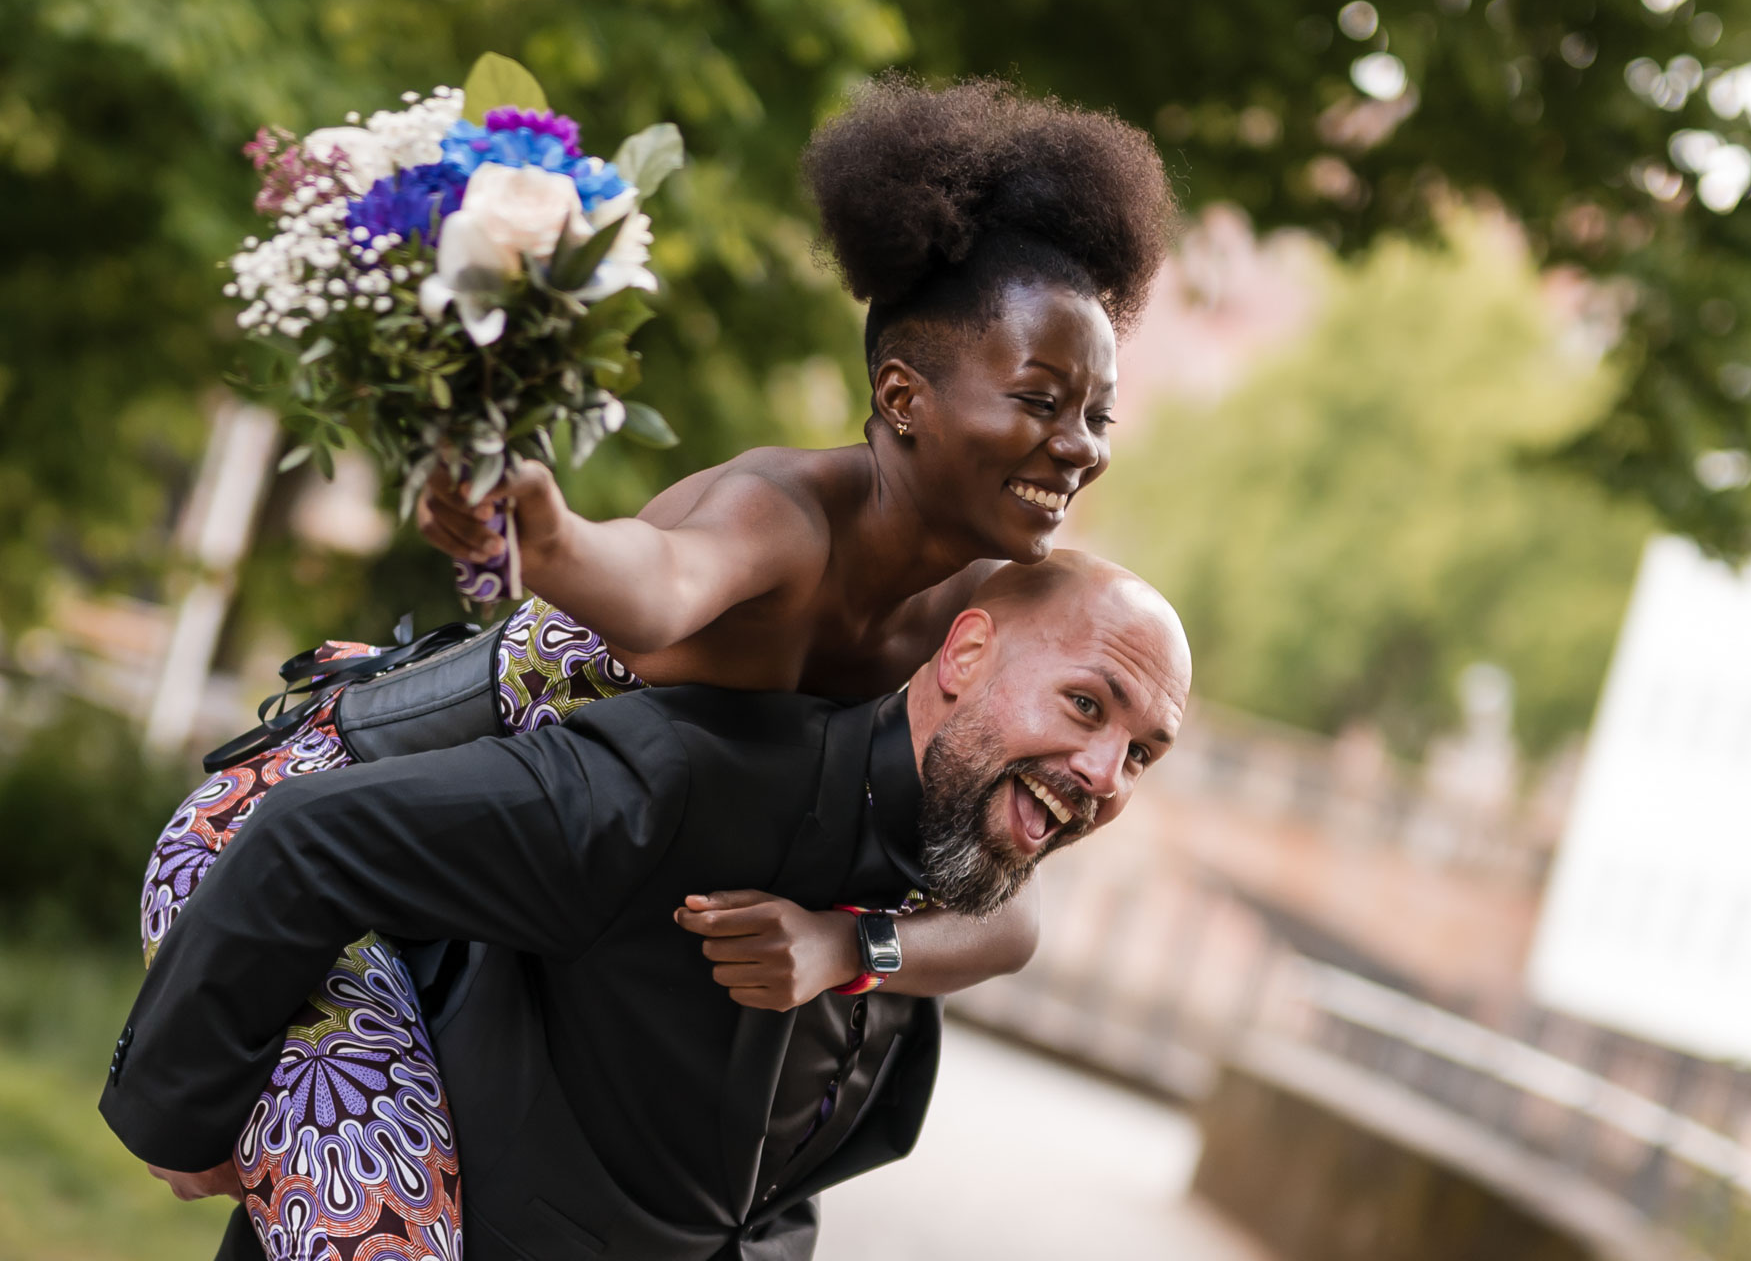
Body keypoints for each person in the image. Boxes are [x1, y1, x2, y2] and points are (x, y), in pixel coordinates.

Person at [137, 77, 1176, 1260]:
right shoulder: (780, 517)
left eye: (1098, 413)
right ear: (902, 396)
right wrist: (544, 528)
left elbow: (1009, 915)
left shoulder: (978, 608)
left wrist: (847, 949)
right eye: (1043, 399)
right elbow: (655, 580)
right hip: (286, 831)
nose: (1079, 446)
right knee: (390, 1235)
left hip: (454, 860)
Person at [108, 554, 1191, 1261]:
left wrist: (848, 947)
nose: (1104, 771)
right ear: (964, 652)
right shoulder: (682, 782)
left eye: (1142, 751)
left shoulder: (948, 862)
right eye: (1086, 703)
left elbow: (768, 1169)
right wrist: (192, 1109)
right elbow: (310, 834)